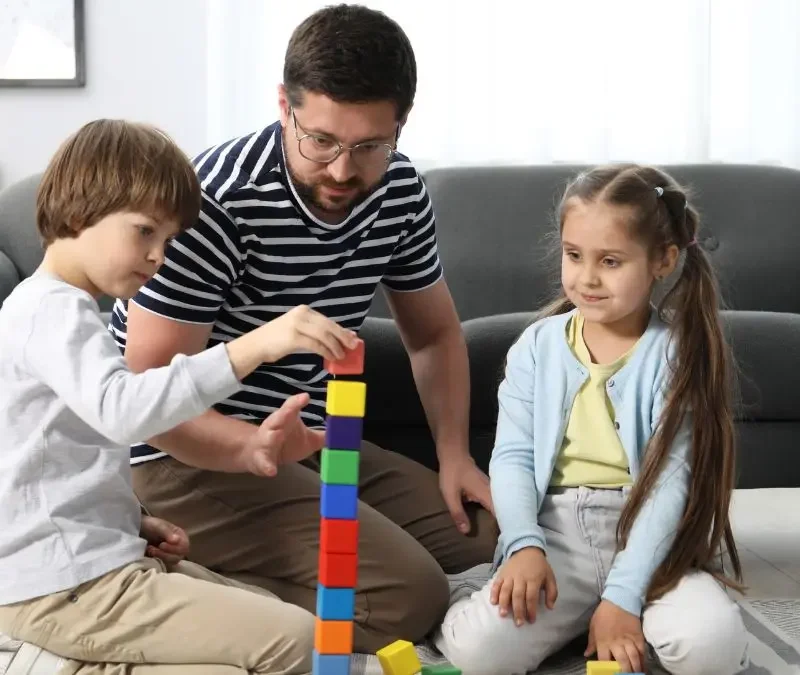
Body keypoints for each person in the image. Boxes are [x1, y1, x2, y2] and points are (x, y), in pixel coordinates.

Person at [110, 3, 497, 650]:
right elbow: (149, 397)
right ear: (283, 106)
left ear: (400, 125)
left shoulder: (398, 188)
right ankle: (169, 574)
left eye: (370, 145)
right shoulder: (215, 202)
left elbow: (432, 335)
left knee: (481, 536)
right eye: (321, 141)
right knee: (408, 596)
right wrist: (250, 450)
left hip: (310, 440)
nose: (344, 171)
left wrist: (453, 454)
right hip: (176, 459)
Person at [0, 118, 362, 674]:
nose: (158, 257)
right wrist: (252, 348)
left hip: (91, 565)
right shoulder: (50, 309)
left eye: (166, 241)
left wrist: (131, 520)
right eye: (145, 231)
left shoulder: (61, 312)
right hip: (61, 586)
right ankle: (57, 662)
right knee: (299, 640)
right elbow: (121, 412)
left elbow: (43, 462)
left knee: (264, 619)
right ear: (78, 214)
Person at [433, 165, 751, 675]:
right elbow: (513, 457)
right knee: (478, 653)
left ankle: (611, 615)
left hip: (650, 537)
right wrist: (522, 545)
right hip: (556, 532)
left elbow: (670, 485)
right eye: (573, 255)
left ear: (663, 260)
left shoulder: (676, 355)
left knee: (712, 647)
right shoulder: (537, 346)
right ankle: (507, 595)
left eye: (610, 261)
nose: (586, 277)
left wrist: (624, 596)